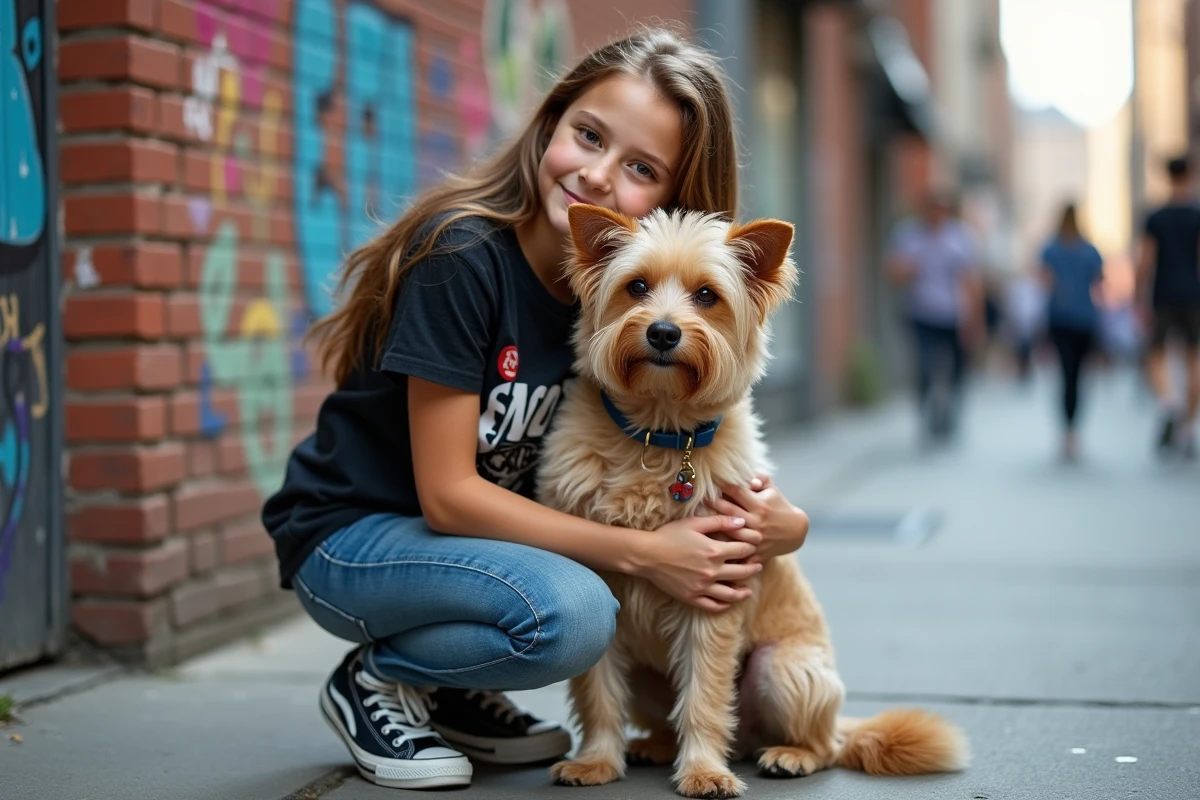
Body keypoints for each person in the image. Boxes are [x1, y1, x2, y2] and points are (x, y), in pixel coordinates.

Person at [262, 29, 812, 791]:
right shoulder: (459, 260)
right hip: (354, 537)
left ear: (670, 199)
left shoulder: (609, 300)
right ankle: (379, 680)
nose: (595, 174)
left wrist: (787, 526)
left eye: (640, 168)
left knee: (577, 599)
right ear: (550, 122)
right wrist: (649, 554)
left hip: (467, 553)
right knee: (576, 615)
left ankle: (449, 692)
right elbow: (450, 497)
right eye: (588, 135)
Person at [886, 191, 985, 444]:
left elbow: (971, 279)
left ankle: (950, 414)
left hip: (954, 315)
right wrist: (907, 269)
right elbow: (893, 273)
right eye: (932, 209)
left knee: (957, 370)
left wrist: (974, 319)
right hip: (921, 313)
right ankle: (926, 415)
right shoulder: (908, 235)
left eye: (942, 209)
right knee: (925, 367)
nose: (937, 215)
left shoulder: (960, 237)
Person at [1138, 156, 1200, 459]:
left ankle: (1168, 403)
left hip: (1163, 295)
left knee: (1156, 358)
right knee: (1194, 362)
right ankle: (1187, 427)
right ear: (1190, 174)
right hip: (1194, 297)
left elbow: (1145, 260)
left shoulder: (1156, 217)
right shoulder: (1196, 214)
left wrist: (1139, 296)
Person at [1040, 203, 1104, 461]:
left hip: (1060, 318)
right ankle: (1073, 430)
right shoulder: (1090, 251)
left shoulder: (1050, 249)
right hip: (1085, 320)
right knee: (1077, 376)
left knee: (1066, 375)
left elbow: (1045, 282)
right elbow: (1099, 283)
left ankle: (1067, 431)